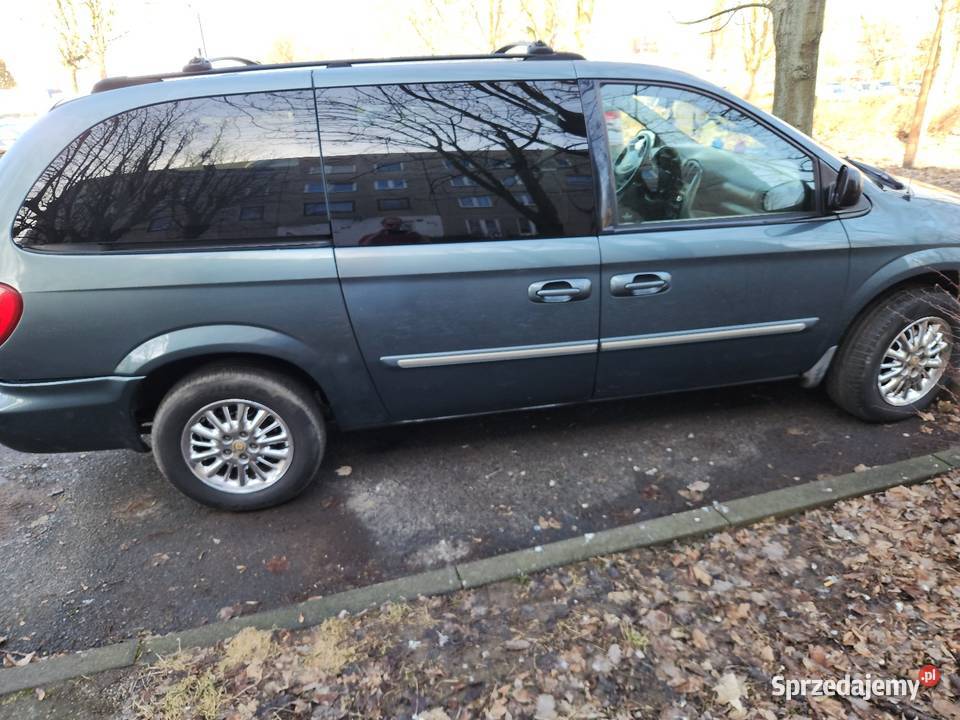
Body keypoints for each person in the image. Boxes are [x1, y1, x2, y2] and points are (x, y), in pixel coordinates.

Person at [358, 216, 429, 246]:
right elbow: (362, 247)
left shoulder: (411, 235)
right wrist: (375, 235)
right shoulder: (372, 237)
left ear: (400, 225)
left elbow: (427, 244)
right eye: (390, 225)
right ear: (383, 225)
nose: (394, 226)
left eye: (397, 225)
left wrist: (416, 234)